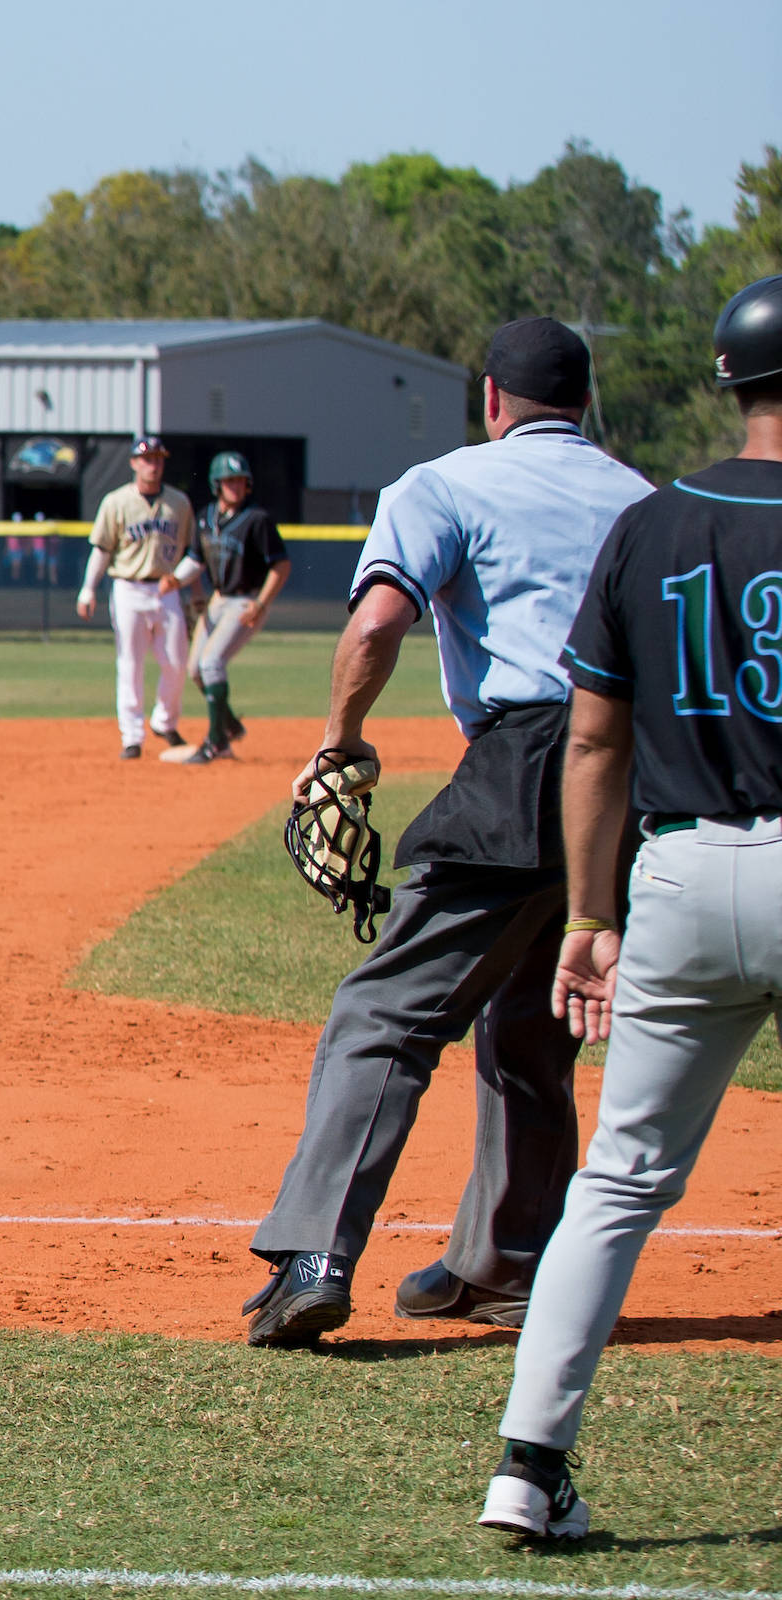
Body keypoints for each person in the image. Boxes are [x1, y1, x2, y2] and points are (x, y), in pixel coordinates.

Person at [240, 319, 654, 1348]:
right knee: (530, 1024)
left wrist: (339, 742)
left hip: (526, 761)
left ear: (490, 399)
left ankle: (317, 1256)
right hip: (642, 779)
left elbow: (379, 622)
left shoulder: (444, 483)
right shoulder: (643, 497)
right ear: (587, 404)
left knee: (385, 1012)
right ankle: (506, 1267)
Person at [478, 277, 782, 1540]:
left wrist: (592, 915)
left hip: (682, 875)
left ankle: (527, 1470)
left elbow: (595, 740)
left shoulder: (655, 523)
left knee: (619, 1178)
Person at [164, 452, 292, 765]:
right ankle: (230, 724)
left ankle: (217, 743)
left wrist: (261, 604)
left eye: (239, 480)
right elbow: (195, 560)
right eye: (228, 481)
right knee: (196, 670)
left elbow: (281, 565)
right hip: (218, 600)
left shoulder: (257, 519)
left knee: (211, 664)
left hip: (245, 602)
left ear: (247, 484)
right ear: (217, 484)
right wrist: (176, 579)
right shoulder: (206, 516)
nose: (234, 486)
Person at [78, 437, 192, 759]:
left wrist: (186, 583)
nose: (152, 464)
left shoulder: (179, 503)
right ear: (133, 463)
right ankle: (132, 736)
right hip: (127, 587)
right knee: (130, 662)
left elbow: (192, 551)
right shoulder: (116, 502)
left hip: (166, 588)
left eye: (157, 459)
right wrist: (89, 588)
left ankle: (164, 721)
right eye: (146, 459)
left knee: (176, 661)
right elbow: (102, 549)